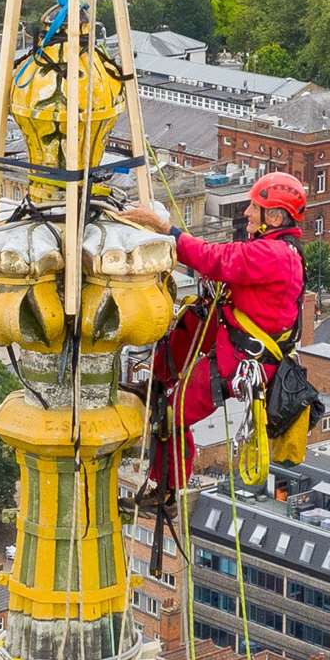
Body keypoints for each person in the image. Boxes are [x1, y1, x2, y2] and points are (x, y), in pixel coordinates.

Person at [119, 172, 307, 497]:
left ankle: (165, 490)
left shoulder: (272, 255)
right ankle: (156, 383)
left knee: (171, 414)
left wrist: (167, 229)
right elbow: (219, 261)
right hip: (236, 342)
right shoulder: (274, 249)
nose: (247, 212)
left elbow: (214, 259)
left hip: (242, 359)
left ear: (274, 216)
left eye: (254, 206)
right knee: (192, 317)